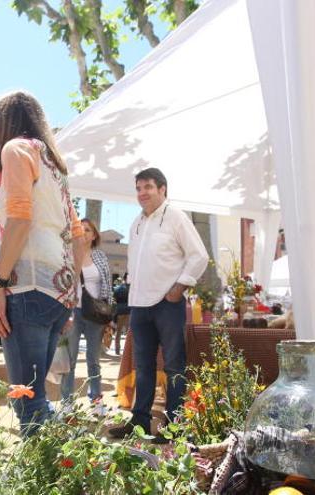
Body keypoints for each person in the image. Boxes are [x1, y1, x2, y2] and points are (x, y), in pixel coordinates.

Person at [0, 90, 85, 436]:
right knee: (36, 396)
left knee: (27, 399)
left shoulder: (16, 150)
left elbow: (18, 221)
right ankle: (68, 467)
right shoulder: (54, 165)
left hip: (26, 286)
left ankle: (59, 476)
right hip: (57, 291)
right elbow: (79, 235)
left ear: (6, 122)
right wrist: (69, 295)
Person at [108, 167, 208, 443]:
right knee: (143, 366)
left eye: (148, 187)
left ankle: (174, 426)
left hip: (168, 304)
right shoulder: (137, 222)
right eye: (138, 188)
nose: (142, 193)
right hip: (139, 305)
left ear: (163, 189)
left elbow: (199, 256)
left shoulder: (176, 217)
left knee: (175, 366)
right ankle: (139, 423)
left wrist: (179, 288)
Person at [60, 218, 113, 412]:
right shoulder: (67, 254)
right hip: (73, 312)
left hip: (95, 314)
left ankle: (96, 401)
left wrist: (109, 317)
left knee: (94, 360)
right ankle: (67, 403)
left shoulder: (100, 256)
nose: (84, 233)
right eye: (80, 230)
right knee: (70, 359)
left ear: (94, 235)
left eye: (88, 230)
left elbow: (107, 286)